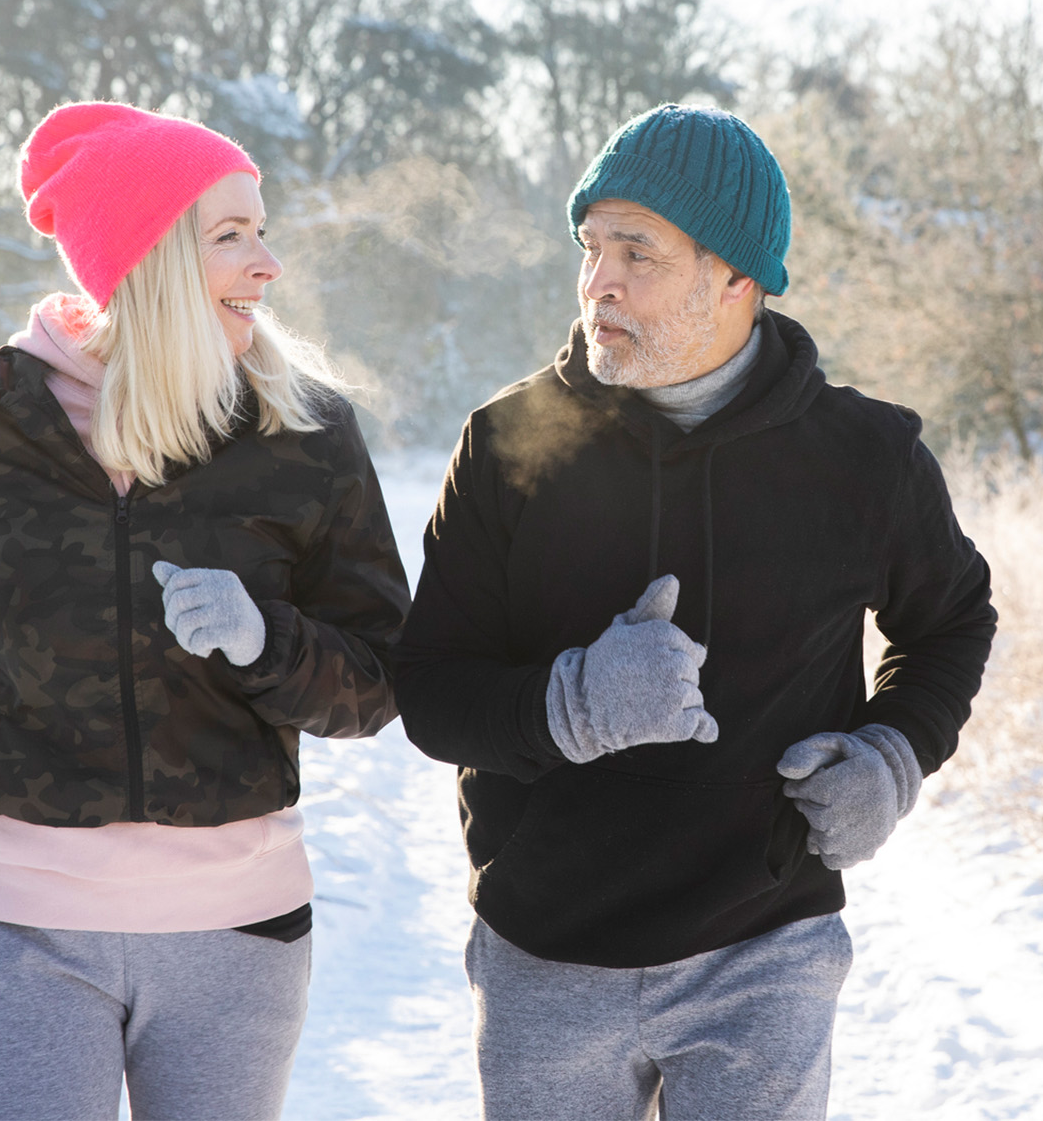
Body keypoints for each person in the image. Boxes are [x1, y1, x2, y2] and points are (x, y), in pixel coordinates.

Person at [393, 104, 996, 1120]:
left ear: (737, 279)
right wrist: (569, 705)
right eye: (592, 248)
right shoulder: (507, 445)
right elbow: (430, 691)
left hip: (767, 947)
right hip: (547, 950)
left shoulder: (862, 458)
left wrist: (893, 753)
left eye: (640, 252)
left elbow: (951, 622)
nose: (600, 283)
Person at [0, 102, 410, 1121]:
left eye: (263, 230)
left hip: (235, 934)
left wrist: (261, 640)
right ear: (145, 260)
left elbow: (381, 679)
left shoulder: (303, 432)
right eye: (230, 235)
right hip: (18, 930)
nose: (268, 263)